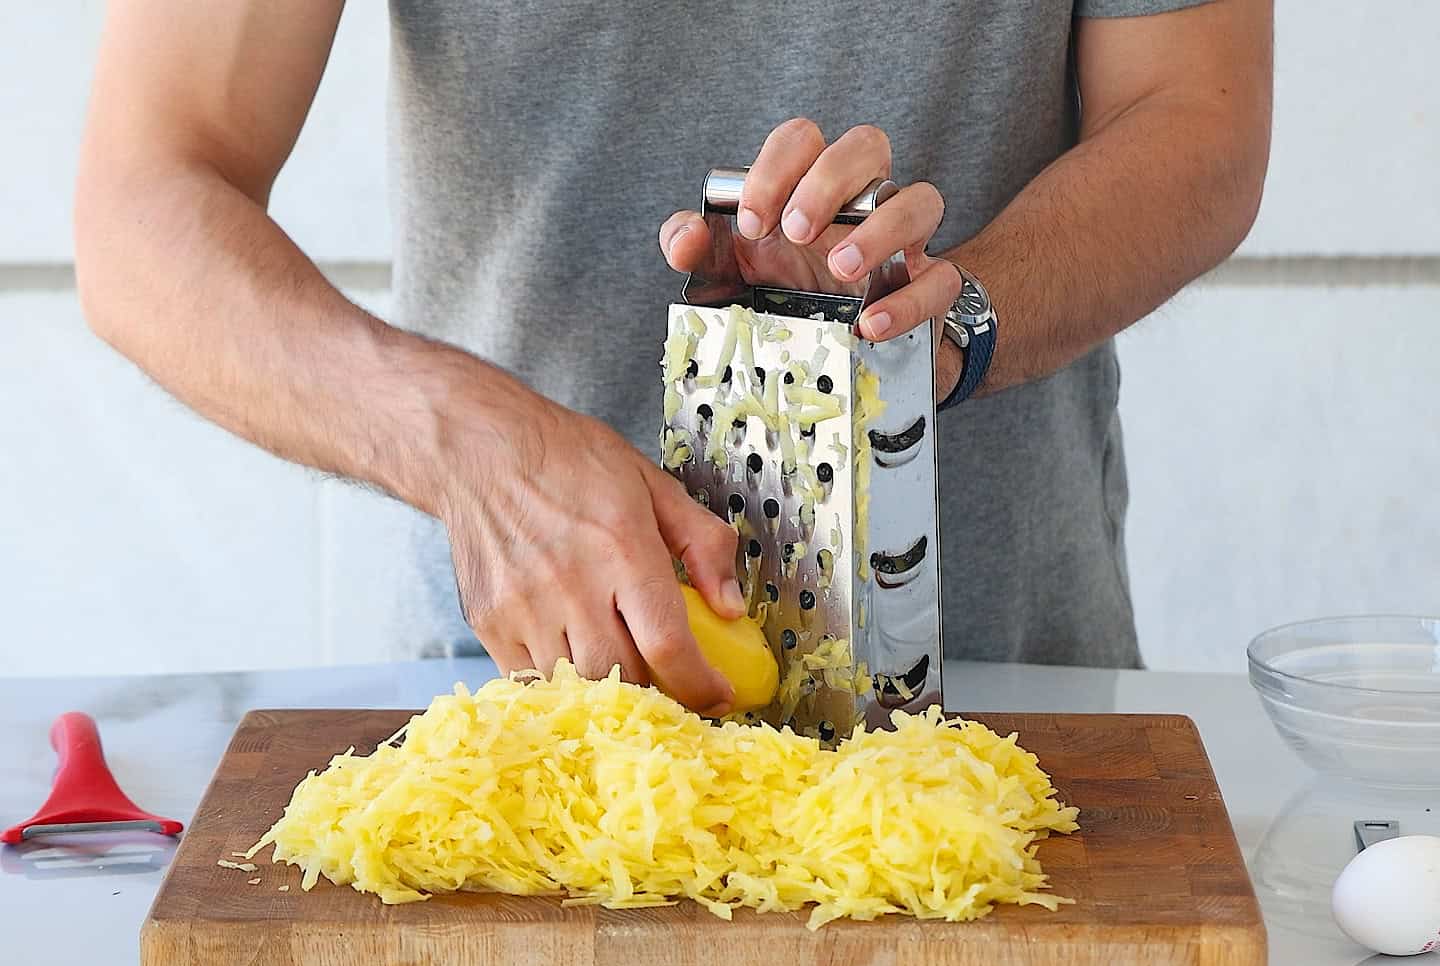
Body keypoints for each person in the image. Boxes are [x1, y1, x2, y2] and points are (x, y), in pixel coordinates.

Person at [74, 1, 1272, 715]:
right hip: (511, 682)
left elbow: (1194, 116)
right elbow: (147, 201)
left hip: (1004, 687)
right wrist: (467, 448)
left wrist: (947, 326)